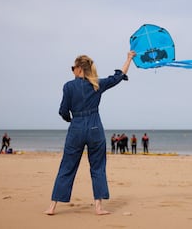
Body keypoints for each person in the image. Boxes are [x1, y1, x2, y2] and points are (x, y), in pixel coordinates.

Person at [44, 50, 136, 216]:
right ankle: (98, 207)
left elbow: (63, 111)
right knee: (98, 167)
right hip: (95, 127)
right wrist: (128, 58)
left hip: (77, 127)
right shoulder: (97, 84)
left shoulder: (69, 86)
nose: (72, 70)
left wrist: (70, 120)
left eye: (73, 67)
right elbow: (118, 77)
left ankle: (52, 207)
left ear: (79, 69)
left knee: (67, 166)